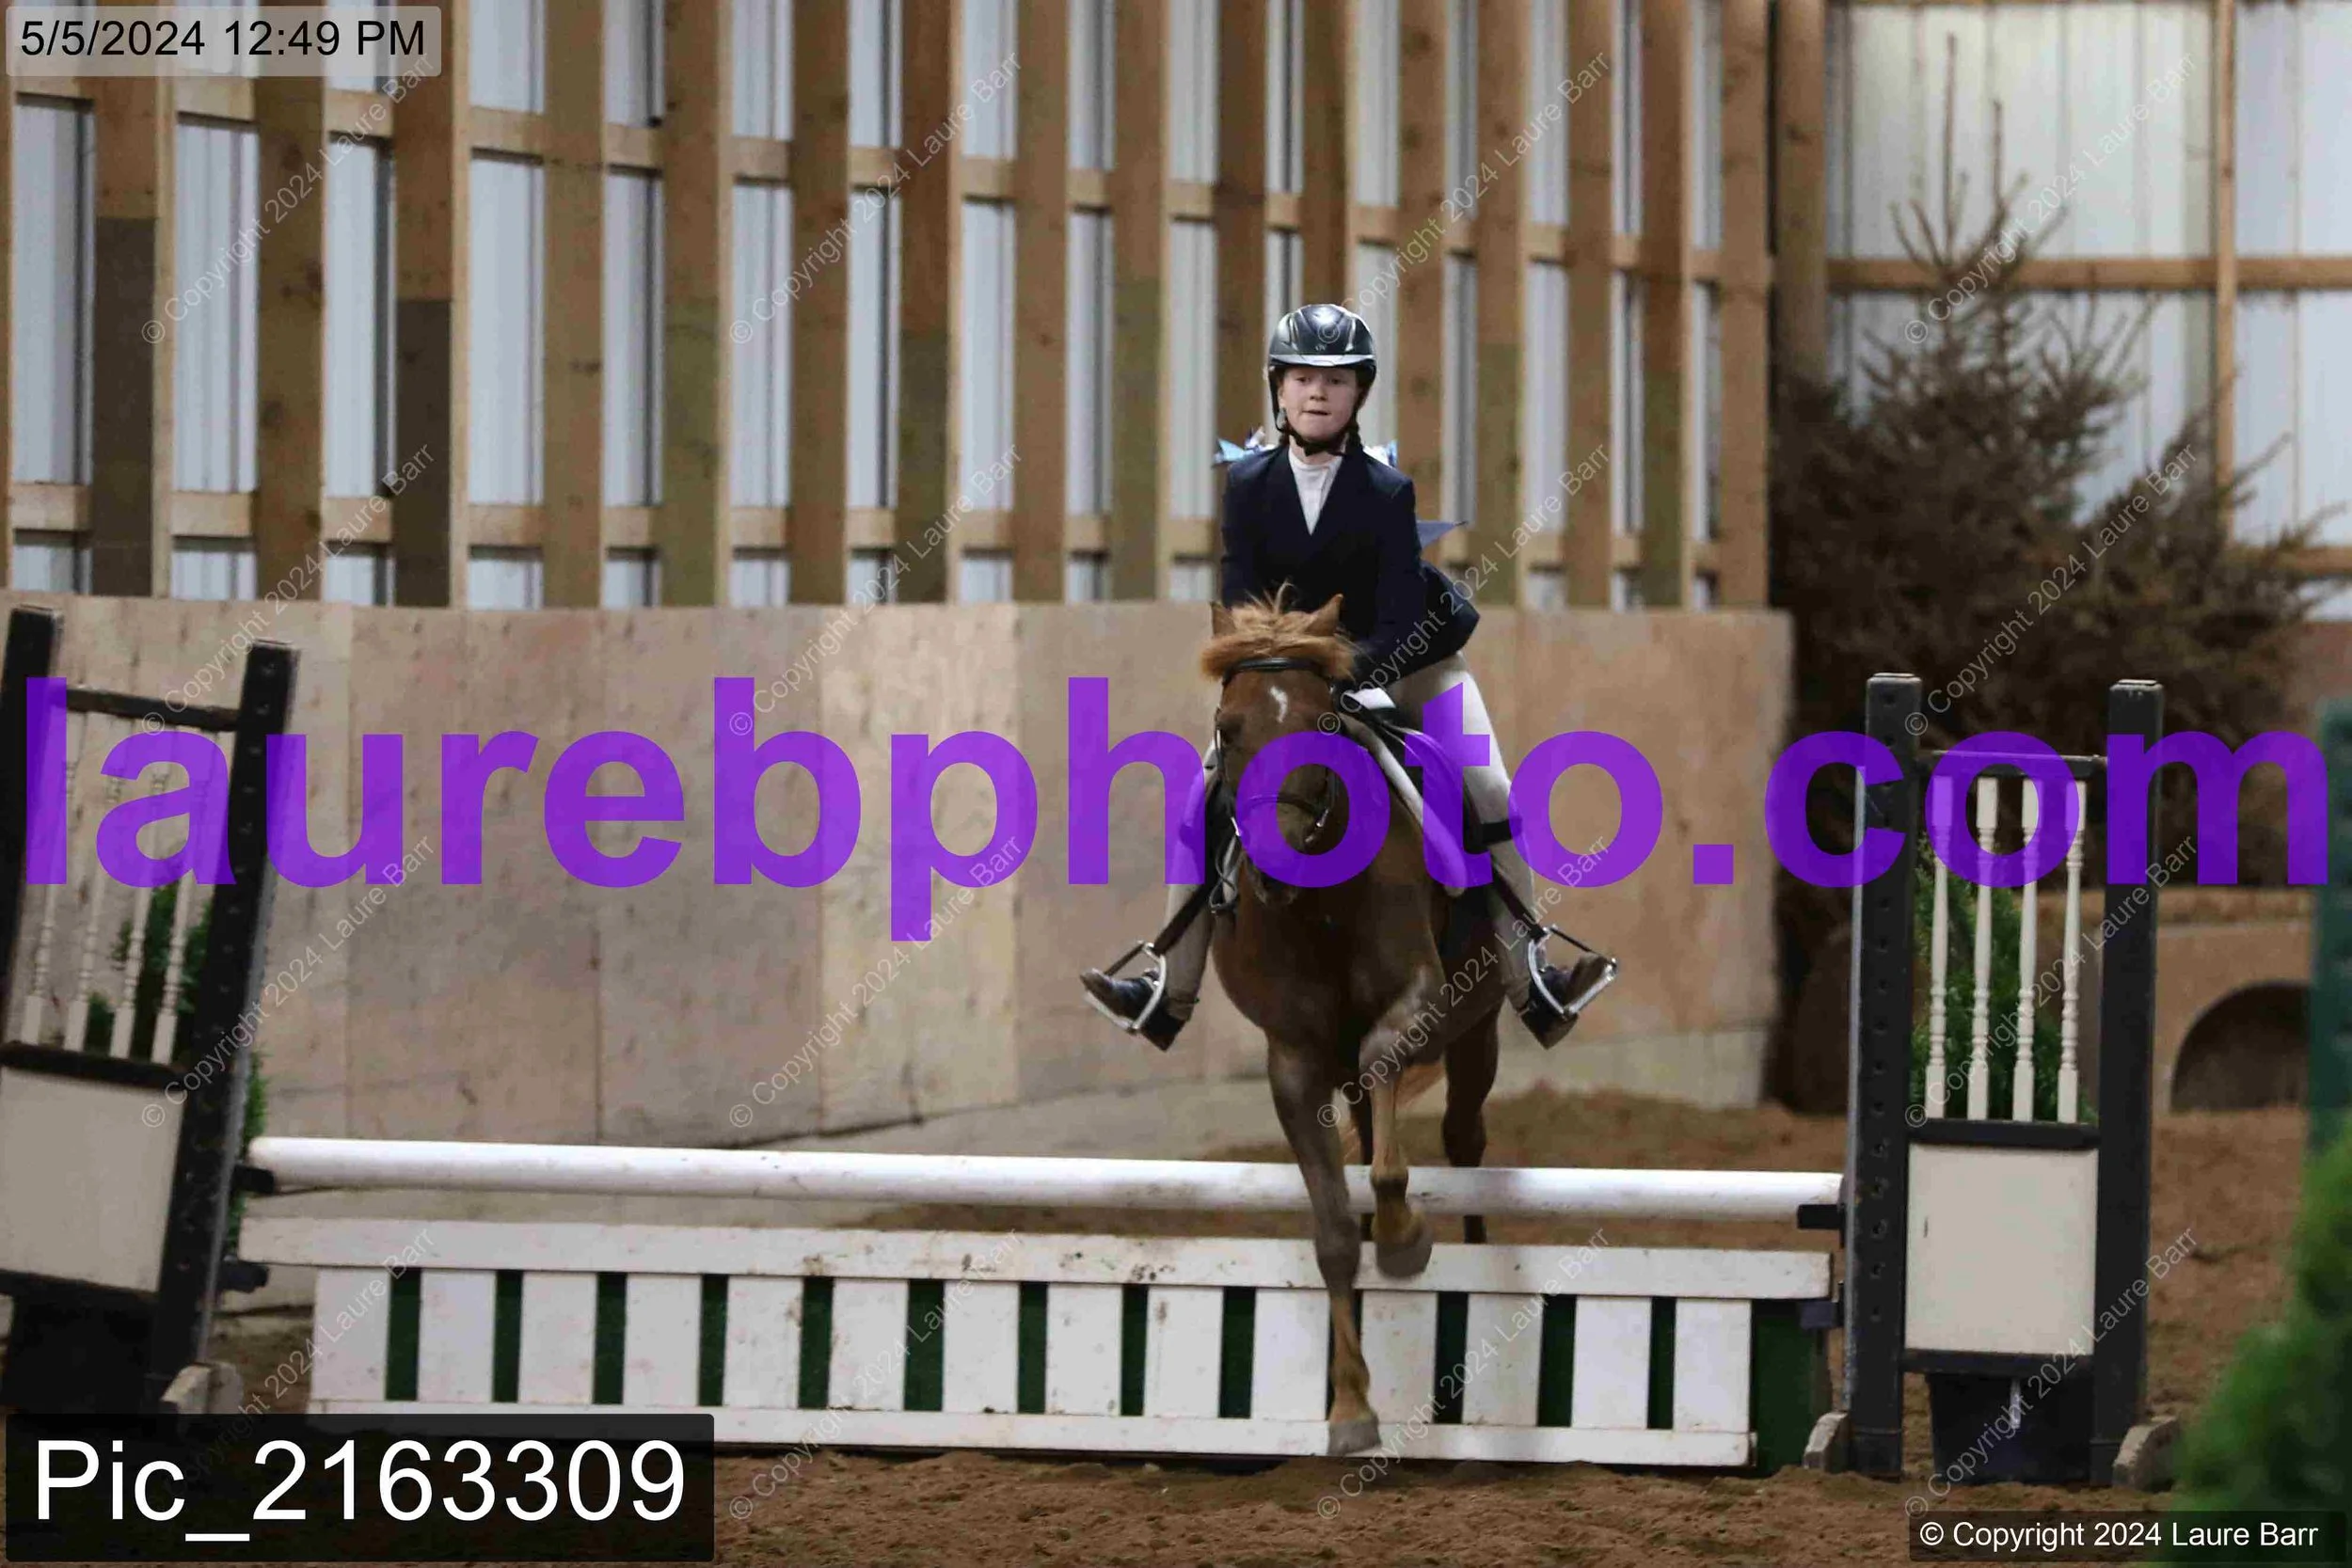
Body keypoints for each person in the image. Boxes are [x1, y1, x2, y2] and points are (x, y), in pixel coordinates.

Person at [1080, 302, 1611, 1050]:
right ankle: (1169, 988)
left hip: (1410, 664)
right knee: (1200, 796)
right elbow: (1240, 596)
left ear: (1359, 392)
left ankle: (1534, 981)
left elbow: (1398, 613)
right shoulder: (1249, 485)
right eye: (1302, 378)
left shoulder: (1387, 491)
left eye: (1334, 380)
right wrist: (1285, 673)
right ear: (1279, 388)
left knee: (1490, 786)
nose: (1317, 393)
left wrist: (1348, 675)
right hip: (1291, 680)